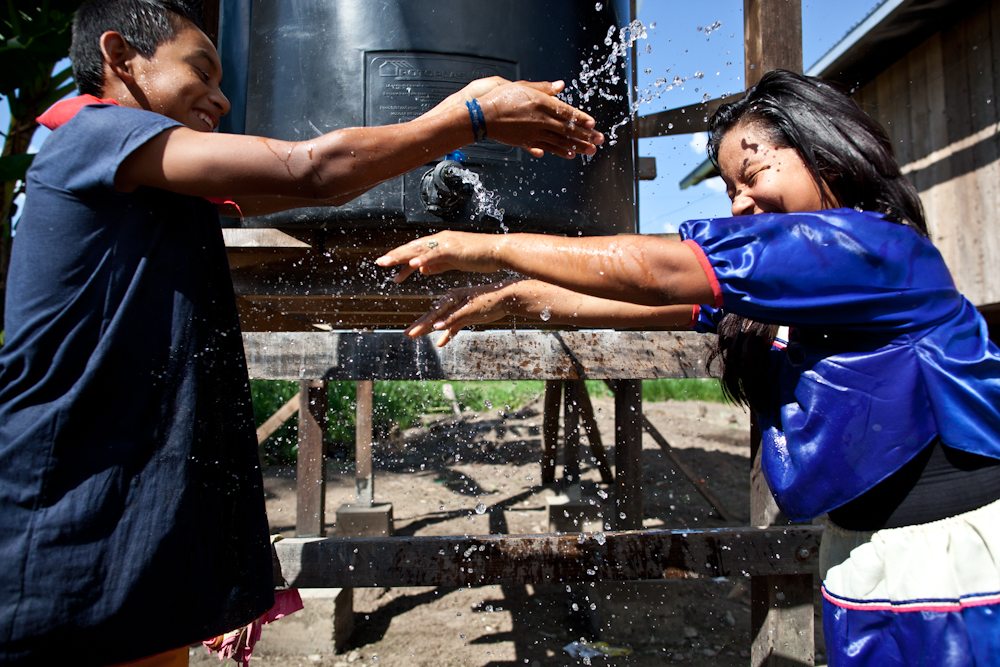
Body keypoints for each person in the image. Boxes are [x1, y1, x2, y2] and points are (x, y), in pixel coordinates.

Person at [0, 1, 603, 665]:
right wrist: (473, 118)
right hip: (62, 534)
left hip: (126, 546)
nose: (224, 99)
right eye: (200, 73)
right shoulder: (93, 133)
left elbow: (317, 179)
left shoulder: (168, 192)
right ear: (119, 59)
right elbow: (309, 170)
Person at [377, 69, 1000, 666]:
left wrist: (485, 246)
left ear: (827, 156)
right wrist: (512, 297)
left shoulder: (874, 248)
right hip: (865, 557)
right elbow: (627, 298)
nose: (741, 201)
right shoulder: (777, 295)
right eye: (730, 188)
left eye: (752, 173)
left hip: (953, 557)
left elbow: (657, 270)